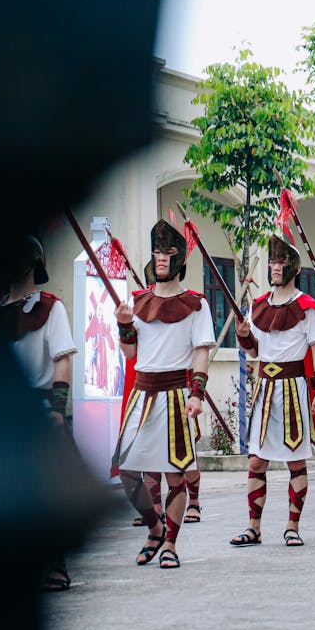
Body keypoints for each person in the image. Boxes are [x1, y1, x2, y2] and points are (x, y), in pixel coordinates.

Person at [112, 219, 216, 570]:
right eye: (156, 252)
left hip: (176, 392)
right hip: (142, 394)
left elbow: (202, 351)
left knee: (176, 475)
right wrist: (125, 325)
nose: (160, 258)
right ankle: (155, 528)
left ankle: (170, 543)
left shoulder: (196, 304)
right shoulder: (137, 301)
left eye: (167, 252)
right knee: (126, 471)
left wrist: (197, 393)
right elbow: (130, 355)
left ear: (179, 258)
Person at [229, 231, 315, 548]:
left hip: (294, 390)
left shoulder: (307, 306)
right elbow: (255, 350)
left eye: (282, 261)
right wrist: (244, 335)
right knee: (256, 462)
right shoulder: (259, 306)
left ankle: (292, 526)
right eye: (273, 261)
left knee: (295, 461)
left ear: (294, 267)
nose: (275, 266)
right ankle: (254, 527)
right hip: (266, 390)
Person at [0, 236, 78, 590]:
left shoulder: (51, 308)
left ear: (33, 263)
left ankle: (56, 564)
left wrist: (58, 411)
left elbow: (62, 360)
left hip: (42, 407)